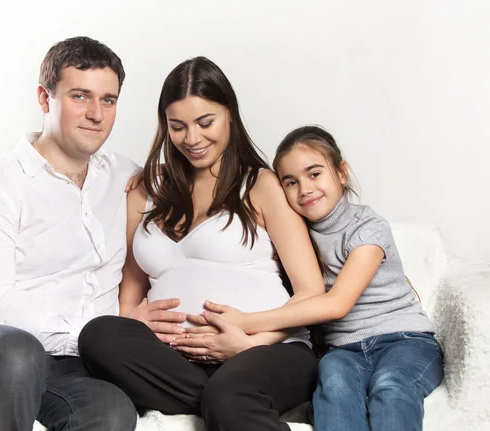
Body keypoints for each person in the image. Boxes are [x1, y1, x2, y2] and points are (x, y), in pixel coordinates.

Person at [78, 57, 326, 431]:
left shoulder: (261, 185)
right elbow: (130, 291)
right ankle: (221, 398)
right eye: (178, 127)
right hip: (177, 361)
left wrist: (251, 342)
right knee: (99, 335)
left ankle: (228, 397)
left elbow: (310, 291)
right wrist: (134, 321)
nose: (192, 139)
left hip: (270, 350)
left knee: (231, 395)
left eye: (205, 123)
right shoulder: (145, 190)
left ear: (230, 114)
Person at [0, 36, 165, 431]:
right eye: (80, 96)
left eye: (108, 100)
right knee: (15, 352)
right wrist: (96, 333)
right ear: (45, 99)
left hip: (70, 364)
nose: (96, 113)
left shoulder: (126, 177)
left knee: (110, 410)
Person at [185, 125, 444, 431]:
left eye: (314, 174)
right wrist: (149, 176)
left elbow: (337, 304)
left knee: (391, 387)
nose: (305, 189)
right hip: (344, 351)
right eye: (290, 182)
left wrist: (246, 322)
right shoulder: (293, 235)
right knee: (333, 387)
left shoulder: (368, 227)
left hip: (404, 342)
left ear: (341, 173)